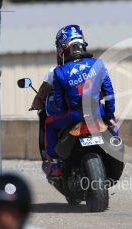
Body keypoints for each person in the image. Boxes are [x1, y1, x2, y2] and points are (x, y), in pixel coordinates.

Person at [44, 25, 116, 177]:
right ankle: (115, 141)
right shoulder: (98, 64)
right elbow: (109, 94)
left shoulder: (59, 72)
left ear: (63, 47)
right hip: (97, 112)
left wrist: (64, 113)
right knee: (114, 121)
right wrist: (109, 115)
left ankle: (54, 163)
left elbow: (60, 103)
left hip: (74, 116)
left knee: (49, 123)